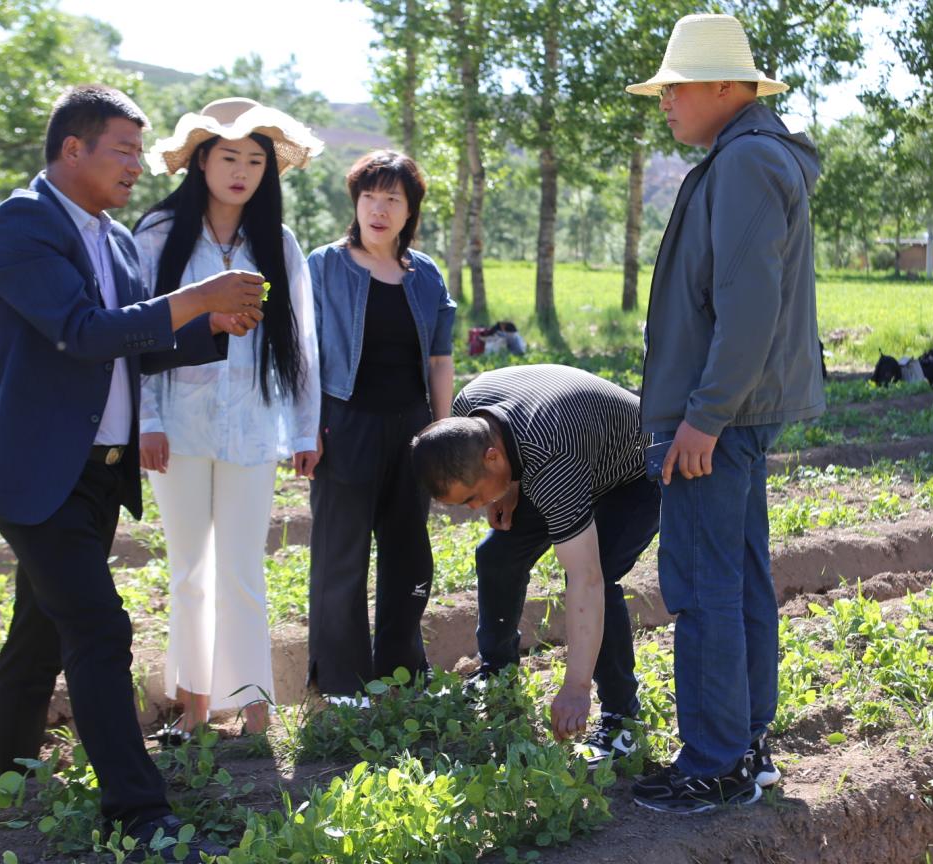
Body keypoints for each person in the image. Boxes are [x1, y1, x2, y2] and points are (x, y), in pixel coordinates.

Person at [0, 85, 266, 858]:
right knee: (99, 629)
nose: (140, 165)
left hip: (99, 472)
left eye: (140, 151)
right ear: (73, 149)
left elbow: (137, 341)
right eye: (124, 151)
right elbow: (82, 331)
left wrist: (212, 327)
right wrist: (195, 294)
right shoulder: (21, 225)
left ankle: (12, 779)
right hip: (38, 471)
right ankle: (138, 811)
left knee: (38, 633)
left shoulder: (116, 240)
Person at [625, 14, 826, 813]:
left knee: (705, 587)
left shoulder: (744, 164)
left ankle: (713, 762)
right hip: (733, 414)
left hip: (719, 419)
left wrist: (702, 417)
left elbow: (749, 307)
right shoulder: (749, 156)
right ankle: (745, 750)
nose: (665, 102)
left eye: (674, 88)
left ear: (720, 86)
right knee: (737, 580)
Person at [134, 97, 323, 740]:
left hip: (251, 425)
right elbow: (140, 335)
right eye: (228, 157)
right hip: (177, 430)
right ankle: (192, 706)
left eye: (254, 160)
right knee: (189, 569)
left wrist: (303, 430)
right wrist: (145, 421)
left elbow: (301, 344)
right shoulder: (158, 234)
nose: (241, 171)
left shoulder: (278, 243)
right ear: (201, 162)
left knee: (241, 567)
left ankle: (255, 705)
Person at [410, 364, 660, 764]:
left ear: (492, 458)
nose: (477, 508)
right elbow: (512, 448)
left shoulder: (551, 461)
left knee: (602, 571)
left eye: (473, 497)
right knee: (496, 555)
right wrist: (505, 488)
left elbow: (587, 580)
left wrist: (576, 687)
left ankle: (621, 721)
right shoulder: (469, 409)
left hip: (633, 471)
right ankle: (497, 671)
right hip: (557, 455)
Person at [305, 150, 455, 702]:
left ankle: (401, 669)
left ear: (410, 208)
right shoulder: (325, 265)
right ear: (356, 201)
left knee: (409, 550)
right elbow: (305, 355)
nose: (379, 208)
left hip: (412, 429)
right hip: (345, 423)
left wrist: (444, 433)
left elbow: (440, 361)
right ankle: (341, 680)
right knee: (340, 552)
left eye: (393, 198)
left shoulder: (425, 275)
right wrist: (307, 425)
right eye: (370, 196)